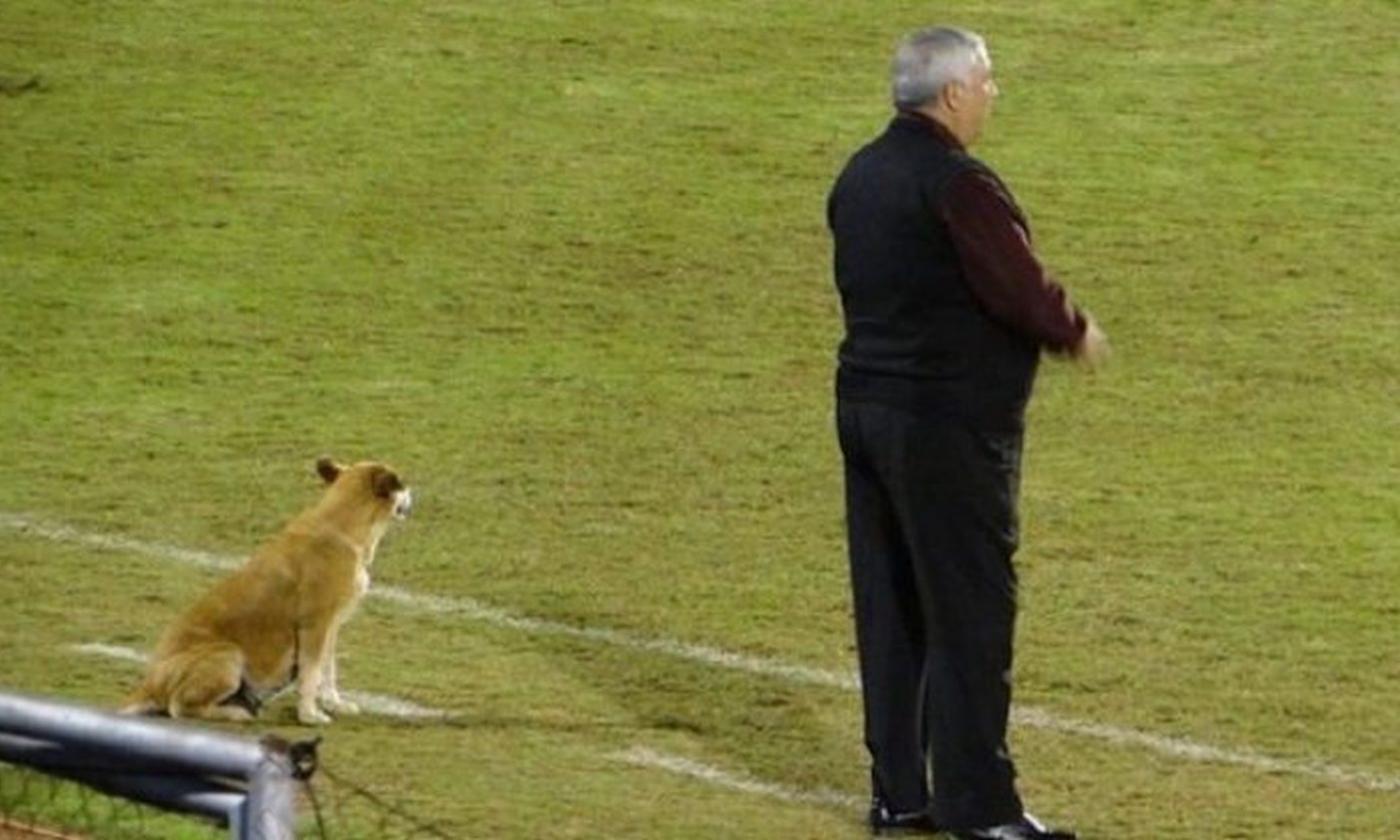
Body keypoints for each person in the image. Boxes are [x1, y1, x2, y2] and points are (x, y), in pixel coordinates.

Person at [827, 26, 1108, 840]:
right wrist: (1072, 331)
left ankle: (900, 793)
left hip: (865, 411)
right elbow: (1013, 285)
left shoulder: (860, 174)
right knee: (968, 613)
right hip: (944, 426)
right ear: (950, 94)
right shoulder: (958, 183)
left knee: (891, 606)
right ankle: (980, 809)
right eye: (986, 81)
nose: (993, 93)